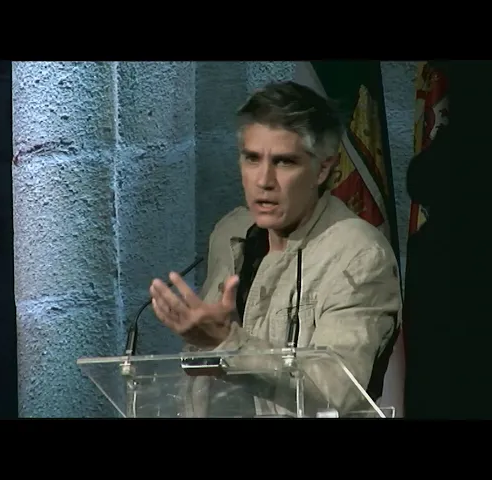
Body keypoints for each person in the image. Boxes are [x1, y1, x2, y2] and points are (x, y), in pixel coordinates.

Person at [148, 81, 401, 417]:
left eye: (284, 162)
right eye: (252, 158)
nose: (263, 180)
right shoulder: (230, 233)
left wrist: (227, 342)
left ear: (323, 168)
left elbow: (336, 390)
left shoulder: (359, 255)